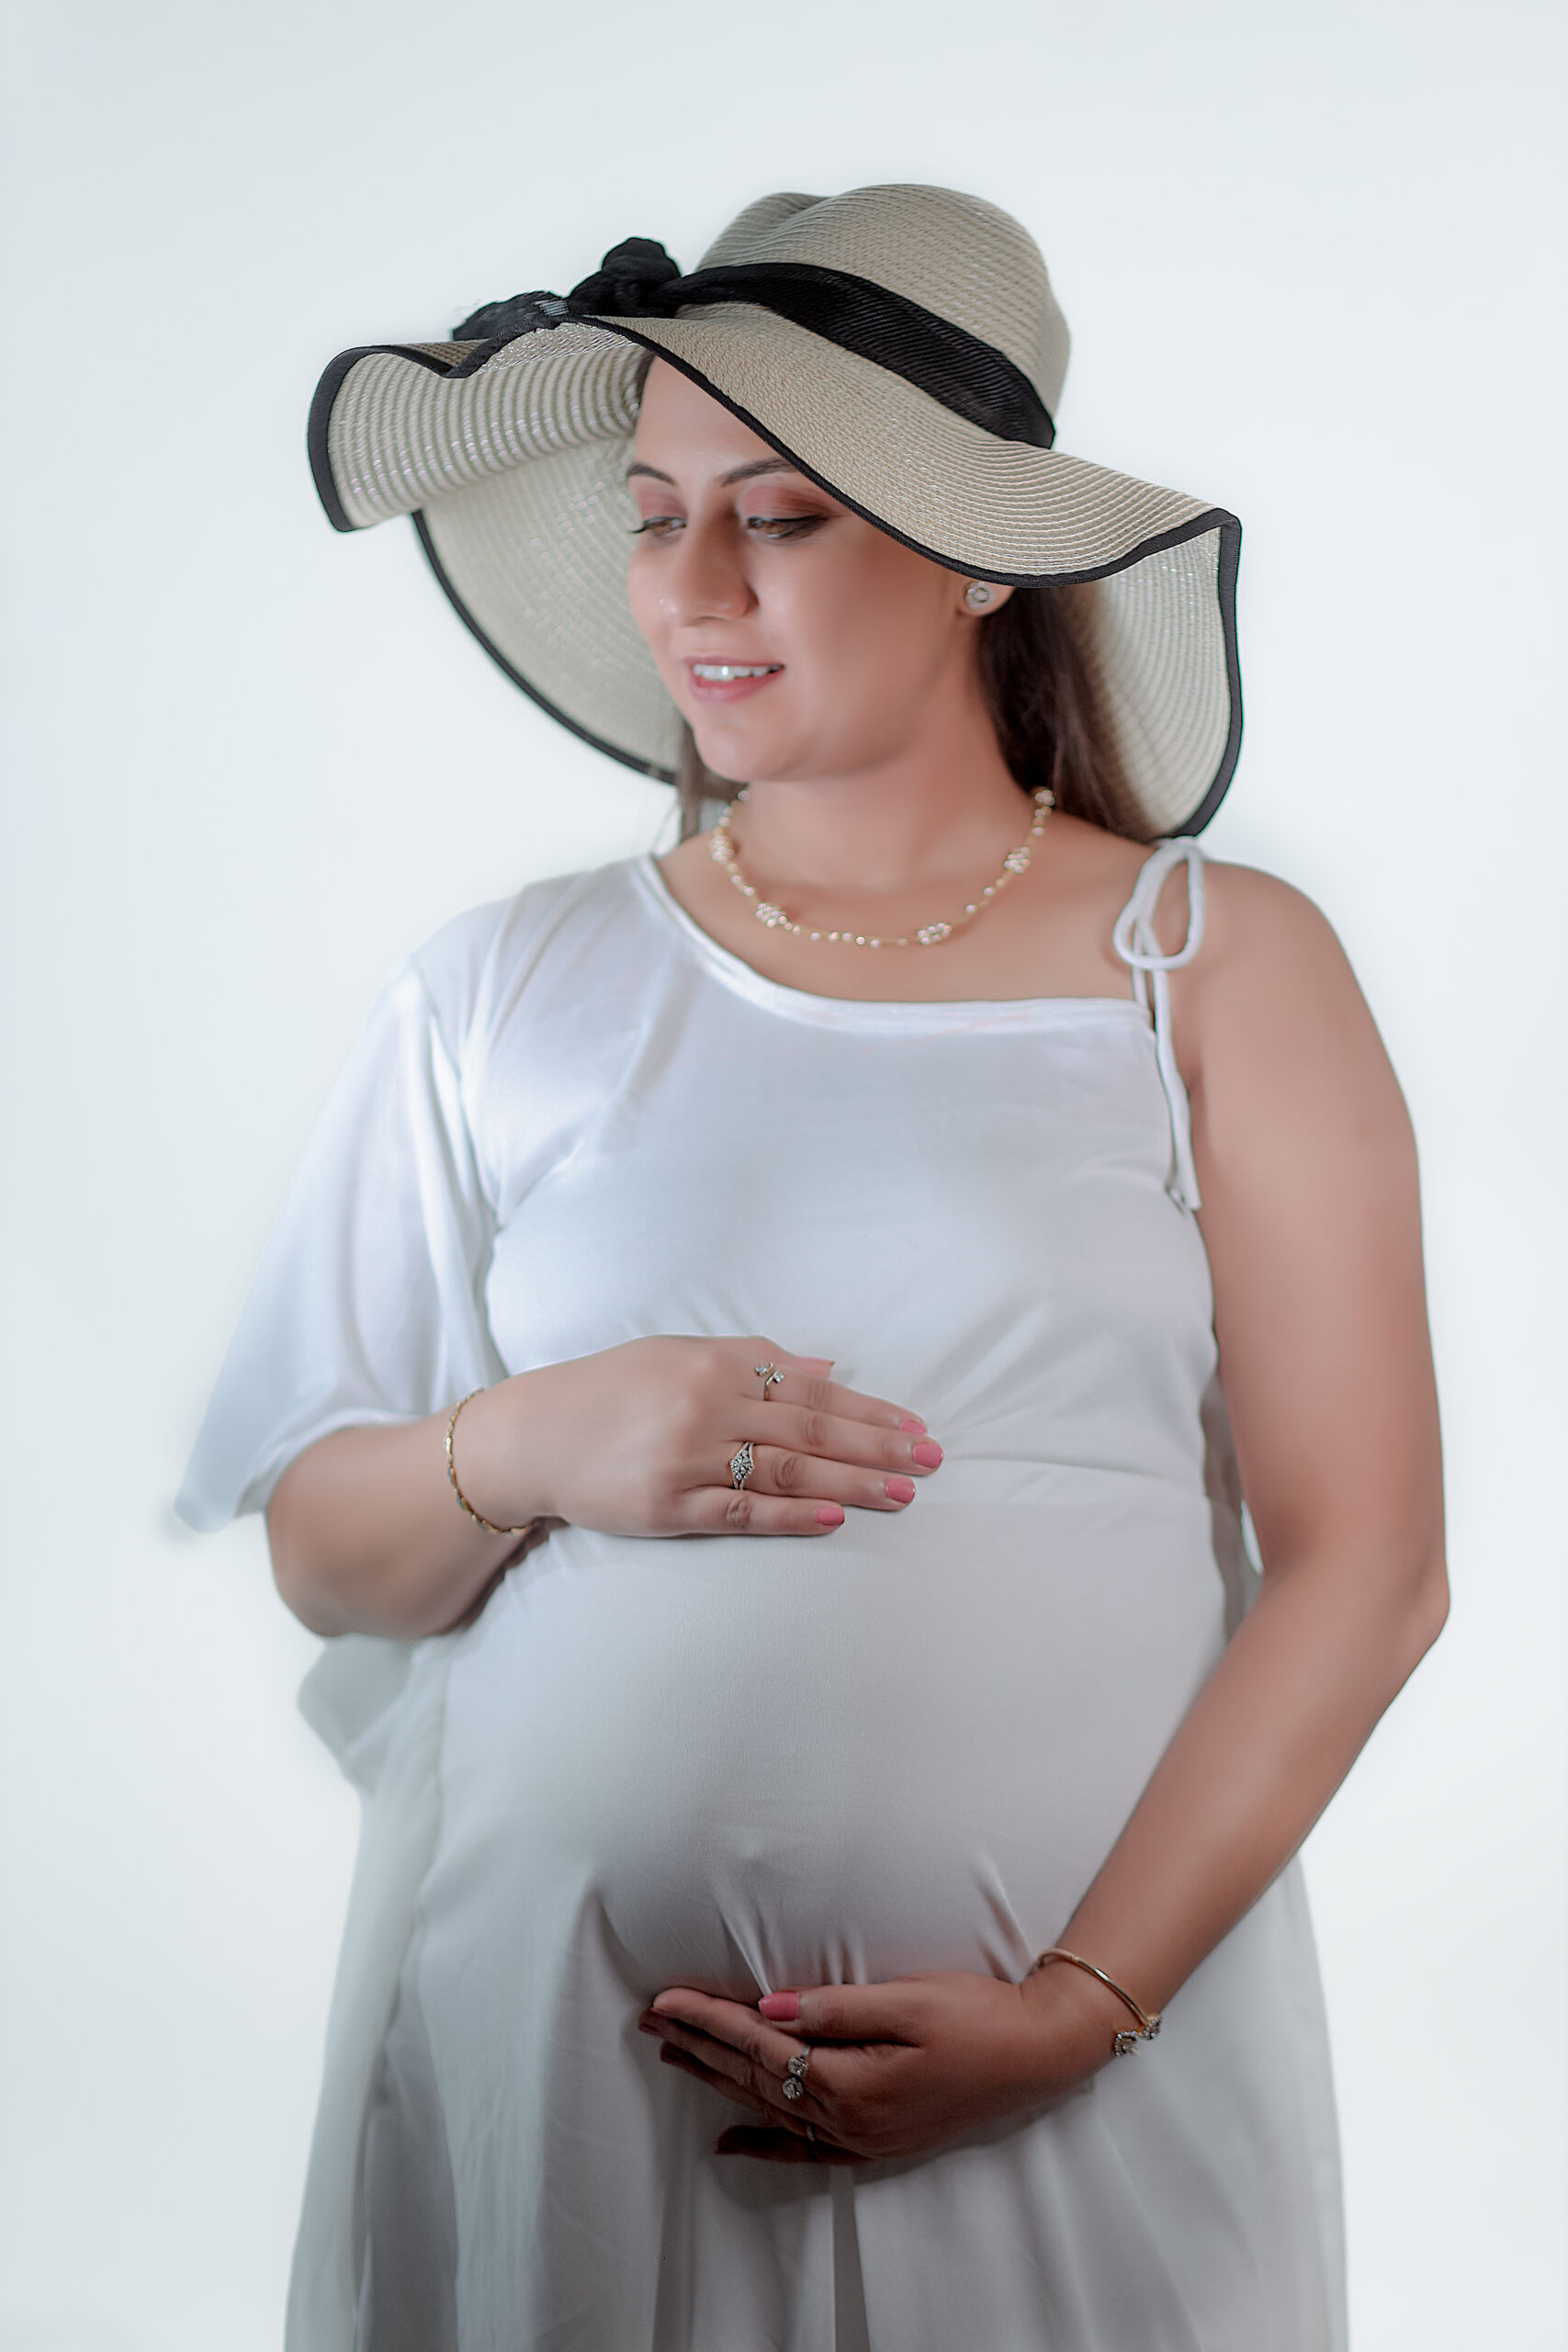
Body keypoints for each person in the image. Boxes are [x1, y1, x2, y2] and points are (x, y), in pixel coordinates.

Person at [177, 184, 1447, 2351]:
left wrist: (1075, 2005)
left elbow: (1369, 1564)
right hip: (560, 2068)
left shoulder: (1210, 963)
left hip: (1077, 2083)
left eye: (774, 515)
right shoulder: (504, 984)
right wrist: (532, 1443)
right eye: (652, 513)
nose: (690, 586)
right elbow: (321, 1546)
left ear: (973, 551)